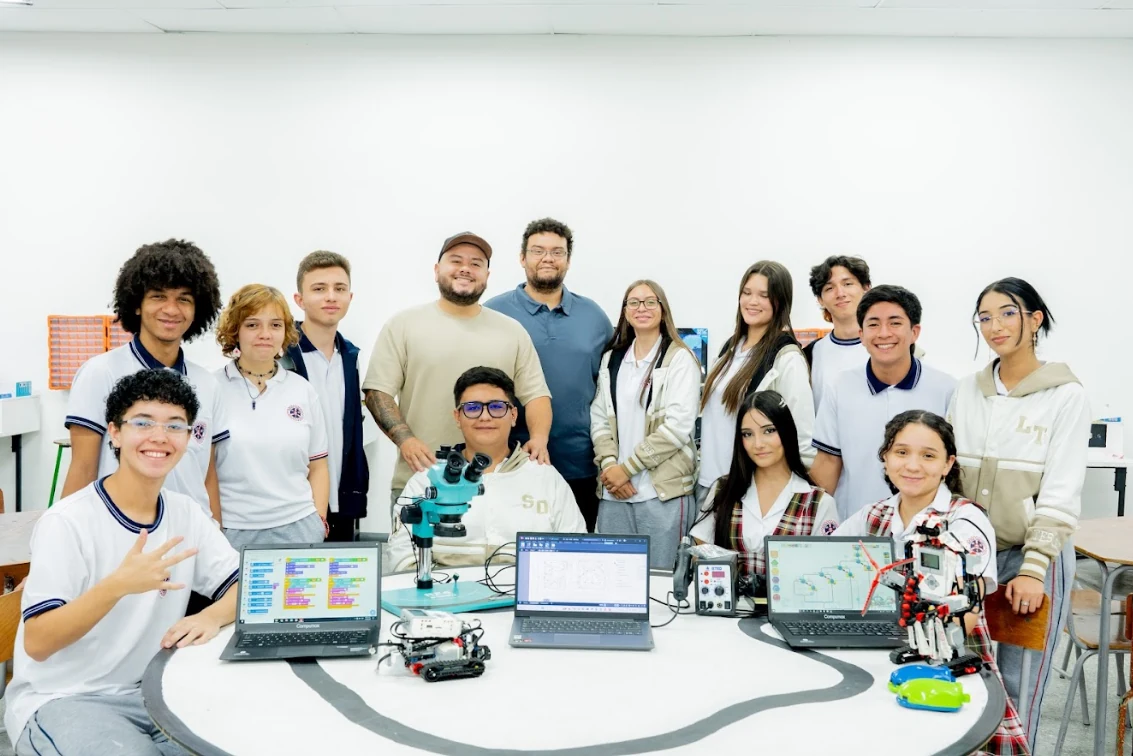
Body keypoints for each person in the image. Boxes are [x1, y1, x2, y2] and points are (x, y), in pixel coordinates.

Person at [4, 369, 240, 756]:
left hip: (158, 692)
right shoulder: (67, 522)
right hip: (66, 699)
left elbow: (244, 586)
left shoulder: (187, 515)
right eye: (143, 422)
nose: (159, 437)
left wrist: (210, 617)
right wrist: (118, 585)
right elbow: (39, 642)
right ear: (114, 432)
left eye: (175, 426)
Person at [835, 410, 1029, 756]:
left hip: (950, 666)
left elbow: (965, 618)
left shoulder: (966, 519)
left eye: (928, 456)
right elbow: (831, 554)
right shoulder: (874, 514)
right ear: (885, 458)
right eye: (901, 452)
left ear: (947, 464)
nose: (912, 465)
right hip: (880, 656)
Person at [947, 277, 1089, 748]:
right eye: (984, 317)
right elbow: (950, 480)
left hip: (1033, 564)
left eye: (1007, 313)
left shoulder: (1066, 395)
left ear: (1035, 320)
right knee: (963, 676)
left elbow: (1061, 492)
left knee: (1017, 688)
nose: (995, 326)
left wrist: (1032, 571)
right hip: (970, 563)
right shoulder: (967, 391)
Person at [363, 232, 552, 510]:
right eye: (456, 260)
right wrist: (407, 441)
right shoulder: (403, 325)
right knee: (416, 555)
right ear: (437, 270)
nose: (466, 268)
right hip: (422, 482)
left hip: (499, 483)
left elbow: (536, 394)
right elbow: (377, 391)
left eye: (476, 263)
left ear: (487, 275)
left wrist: (539, 438)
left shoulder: (512, 331)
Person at [61, 239, 227, 521]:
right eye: (159, 296)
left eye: (184, 299)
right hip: (121, 533)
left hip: (193, 537)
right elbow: (82, 468)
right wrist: (62, 540)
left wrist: (216, 532)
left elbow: (207, 472)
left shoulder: (208, 383)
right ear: (136, 305)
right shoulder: (100, 373)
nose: (172, 309)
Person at [385, 367, 585, 572]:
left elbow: (576, 551)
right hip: (446, 595)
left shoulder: (545, 478)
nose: (485, 417)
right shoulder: (427, 479)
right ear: (457, 417)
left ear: (514, 415)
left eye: (497, 407)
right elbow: (401, 556)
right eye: (472, 408)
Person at [485, 218, 613, 532]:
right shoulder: (493, 313)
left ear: (568, 260)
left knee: (575, 555)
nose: (547, 258)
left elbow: (612, 386)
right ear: (522, 258)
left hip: (578, 461)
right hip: (510, 460)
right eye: (538, 251)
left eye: (557, 252)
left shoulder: (594, 317)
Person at [811, 285, 956, 520]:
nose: (884, 333)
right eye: (873, 324)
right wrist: (810, 527)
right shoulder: (840, 387)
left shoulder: (946, 389)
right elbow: (827, 462)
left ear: (914, 332)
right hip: (855, 528)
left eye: (895, 323)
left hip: (924, 531)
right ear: (861, 335)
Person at [590, 280, 700, 570]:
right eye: (634, 302)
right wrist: (610, 467)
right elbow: (599, 418)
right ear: (625, 311)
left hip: (660, 493)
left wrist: (625, 470)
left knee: (662, 582)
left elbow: (677, 428)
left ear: (663, 310)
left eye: (650, 302)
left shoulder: (680, 359)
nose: (642, 308)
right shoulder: (611, 360)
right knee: (614, 582)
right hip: (615, 494)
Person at [213, 284, 330, 547]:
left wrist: (318, 522)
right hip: (233, 530)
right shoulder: (211, 389)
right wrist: (215, 531)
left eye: (275, 325)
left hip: (299, 527)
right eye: (253, 325)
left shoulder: (302, 390)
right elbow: (203, 471)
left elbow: (319, 465)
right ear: (235, 331)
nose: (265, 334)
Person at [697, 261, 815, 508]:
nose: (752, 301)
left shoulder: (787, 358)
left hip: (752, 491)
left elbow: (802, 437)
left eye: (764, 295)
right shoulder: (730, 348)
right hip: (710, 484)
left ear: (780, 302)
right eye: (747, 292)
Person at [690, 390, 837, 579]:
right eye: (747, 434)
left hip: (792, 607)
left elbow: (829, 573)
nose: (758, 443)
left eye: (769, 431)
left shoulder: (818, 502)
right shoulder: (723, 490)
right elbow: (699, 552)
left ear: (786, 431)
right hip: (730, 606)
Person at [283, 251, 369, 542]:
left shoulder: (351, 357)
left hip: (341, 503)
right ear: (300, 300)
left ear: (350, 297)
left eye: (339, 289)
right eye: (319, 289)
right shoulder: (280, 357)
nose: (331, 296)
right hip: (292, 504)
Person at [803, 255, 871, 410]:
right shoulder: (810, 355)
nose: (840, 293)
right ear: (820, 299)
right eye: (829, 288)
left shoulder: (890, 347)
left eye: (848, 284)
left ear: (866, 288)